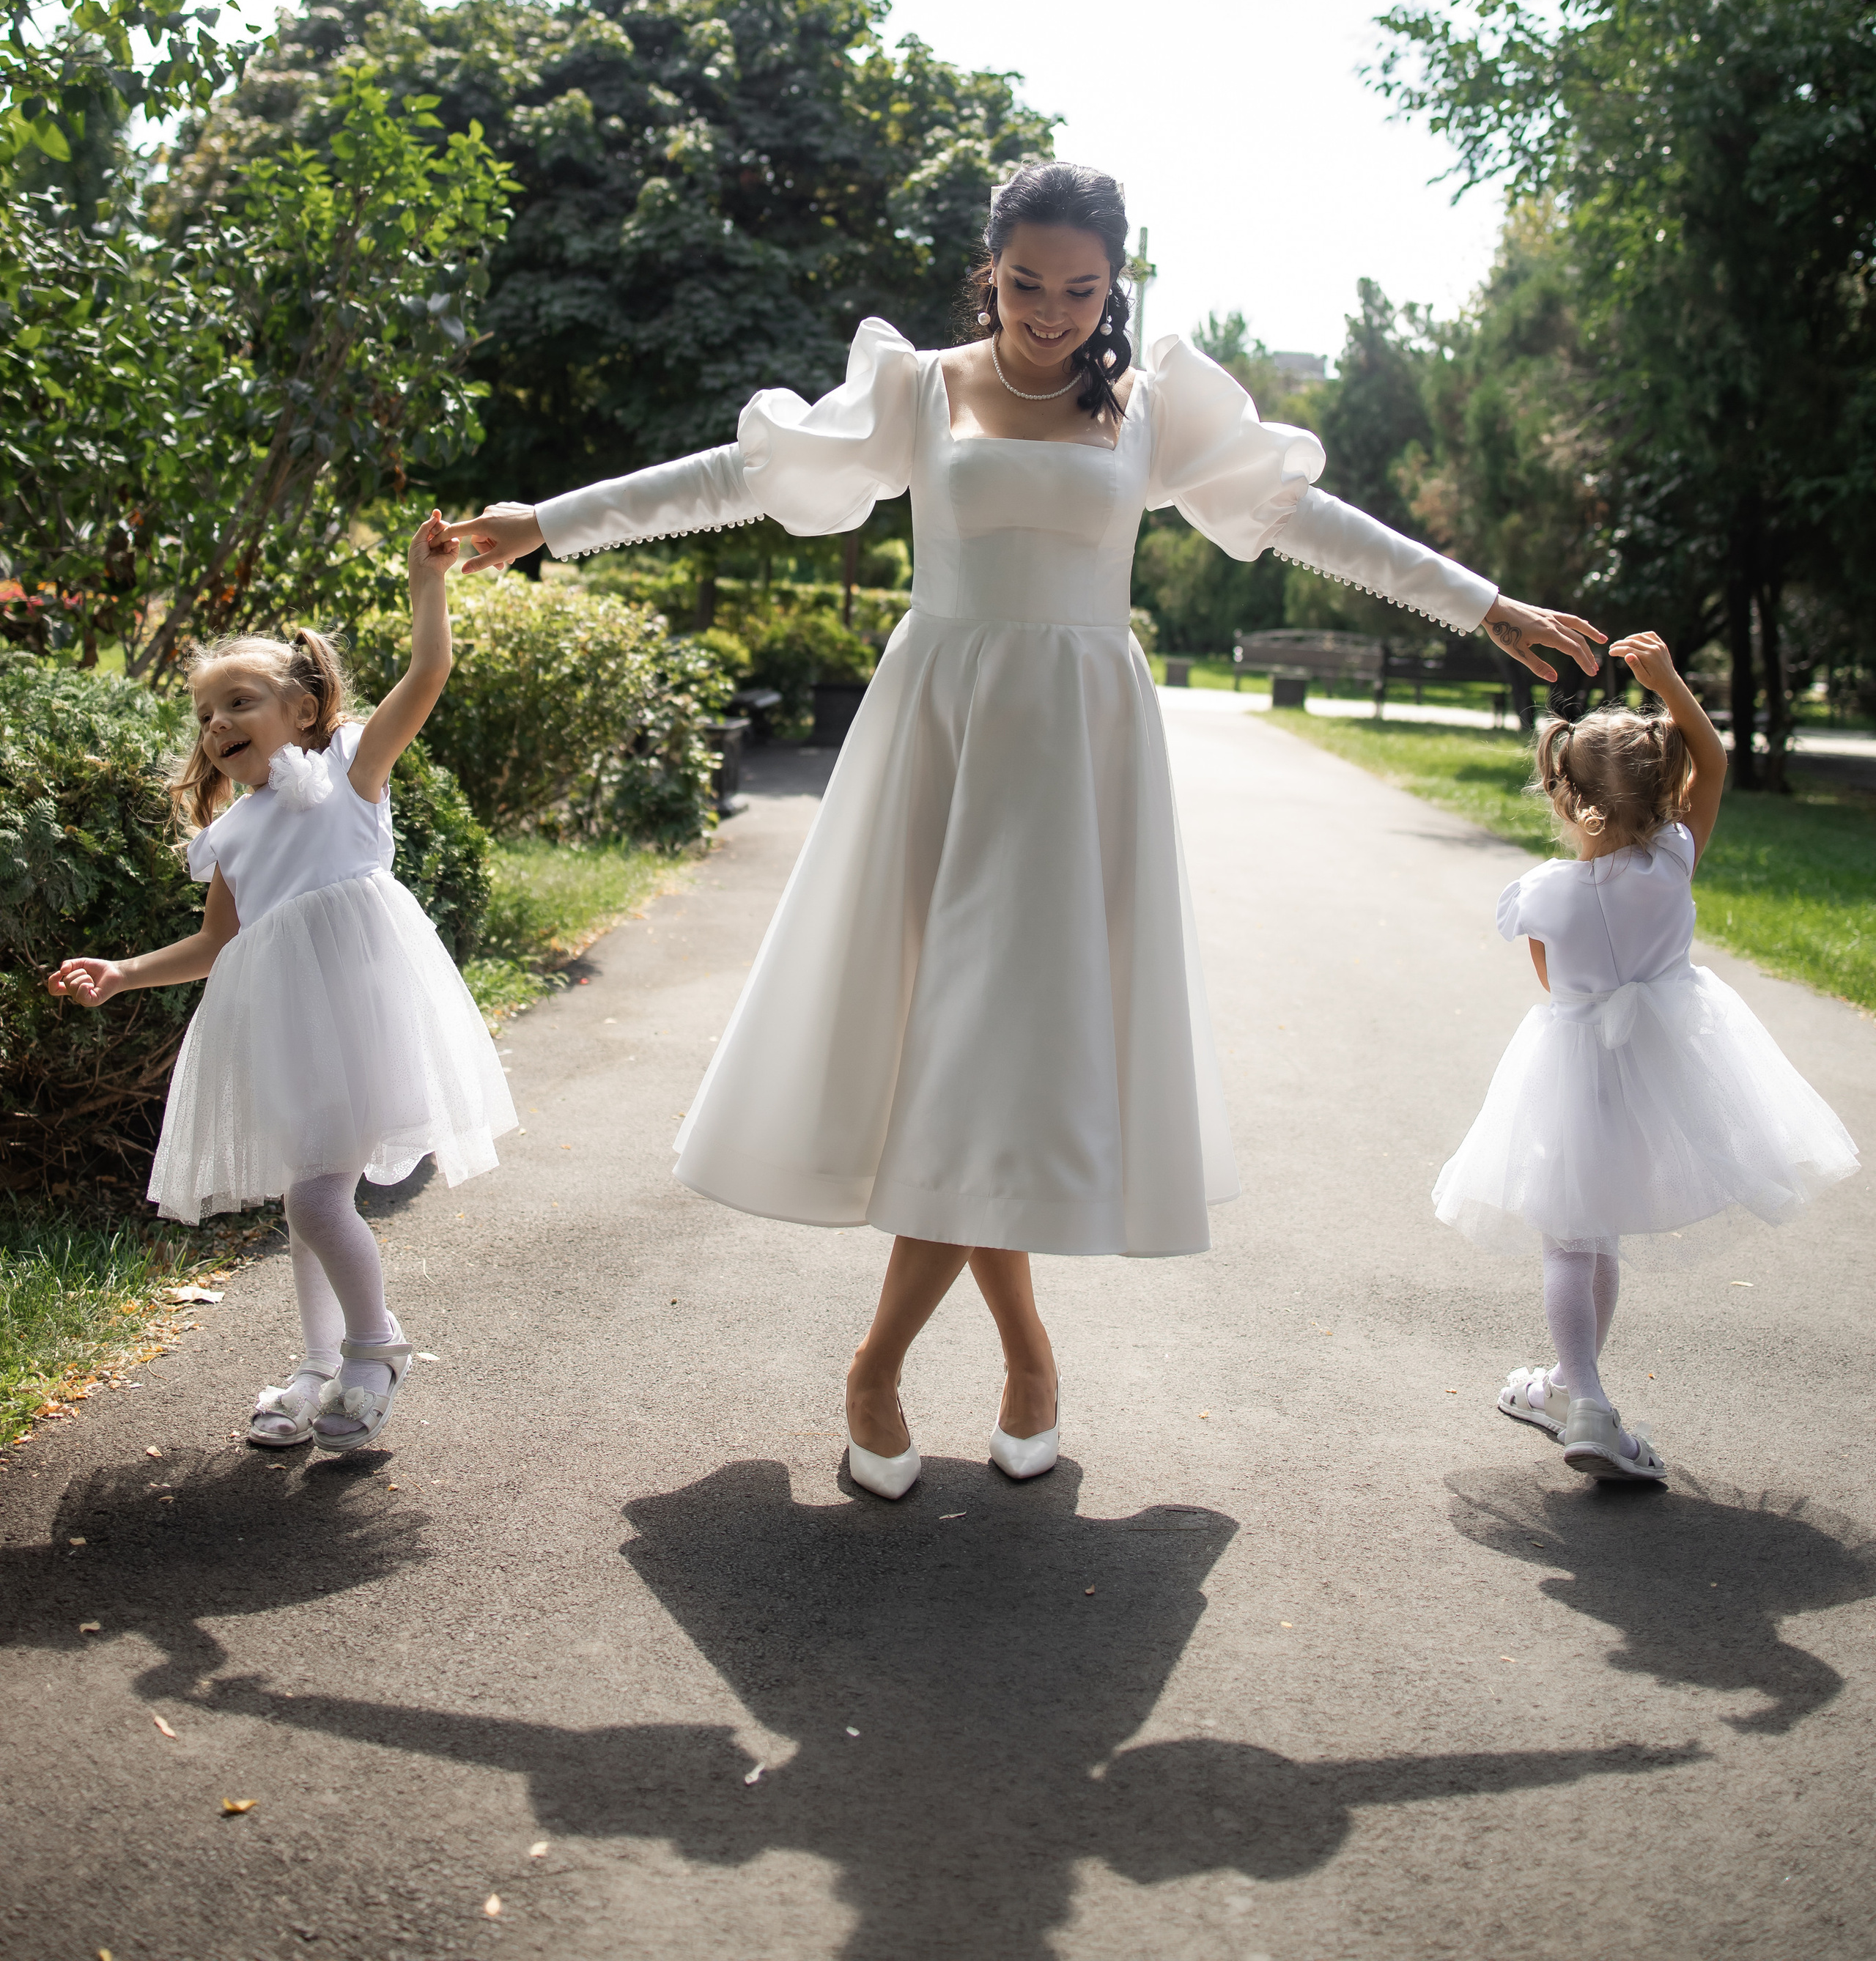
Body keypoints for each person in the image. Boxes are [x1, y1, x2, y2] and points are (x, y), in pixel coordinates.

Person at [457, 160, 1597, 1496]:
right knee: (965, 1056)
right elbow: (743, 477)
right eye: (1025, 284)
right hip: (938, 734)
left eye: (1081, 289)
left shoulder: (1152, 407)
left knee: (996, 1054)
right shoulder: (920, 388)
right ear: (986, 270)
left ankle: (890, 1367)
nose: (1051, 313)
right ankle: (1018, 1360)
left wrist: (1484, 604)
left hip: (1078, 755)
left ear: (1115, 285)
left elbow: (1307, 522)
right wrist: (554, 522)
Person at [48, 512, 515, 1452]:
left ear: (302, 710)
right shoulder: (230, 834)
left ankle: (376, 1349)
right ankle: (319, 1363)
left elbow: (426, 676)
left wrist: (427, 587)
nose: (217, 722)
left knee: (313, 1198)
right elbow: (219, 944)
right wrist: (125, 973)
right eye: (206, 714)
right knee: (310, 1196)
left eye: (240, 701)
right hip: (286, 1025)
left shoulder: (350, 771)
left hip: (360, 1012)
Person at [1434, 629, 1858, 1482]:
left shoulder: (1544, 897)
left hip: (1571, 1072)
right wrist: (1667, 685)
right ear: (1665, 793)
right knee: (1606, 1233)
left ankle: (1580, 1395)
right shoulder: (1673, 860)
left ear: (1564, 798)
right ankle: (1569, 1383)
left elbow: (1556, 988)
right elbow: (1714, 762)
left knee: (1567, 1236)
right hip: (1664, 1072)